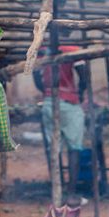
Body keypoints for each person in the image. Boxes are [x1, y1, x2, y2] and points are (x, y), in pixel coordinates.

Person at [33, 45, 86, 202]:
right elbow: (84, 77)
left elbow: (36, 77)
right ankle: (70, 194)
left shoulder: (41, 50)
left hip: (49, 102)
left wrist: (47, 92)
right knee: (74, 148)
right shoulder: (74, 50)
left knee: (54, 149)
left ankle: (57, 189)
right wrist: (81, 93)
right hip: (69, 102)